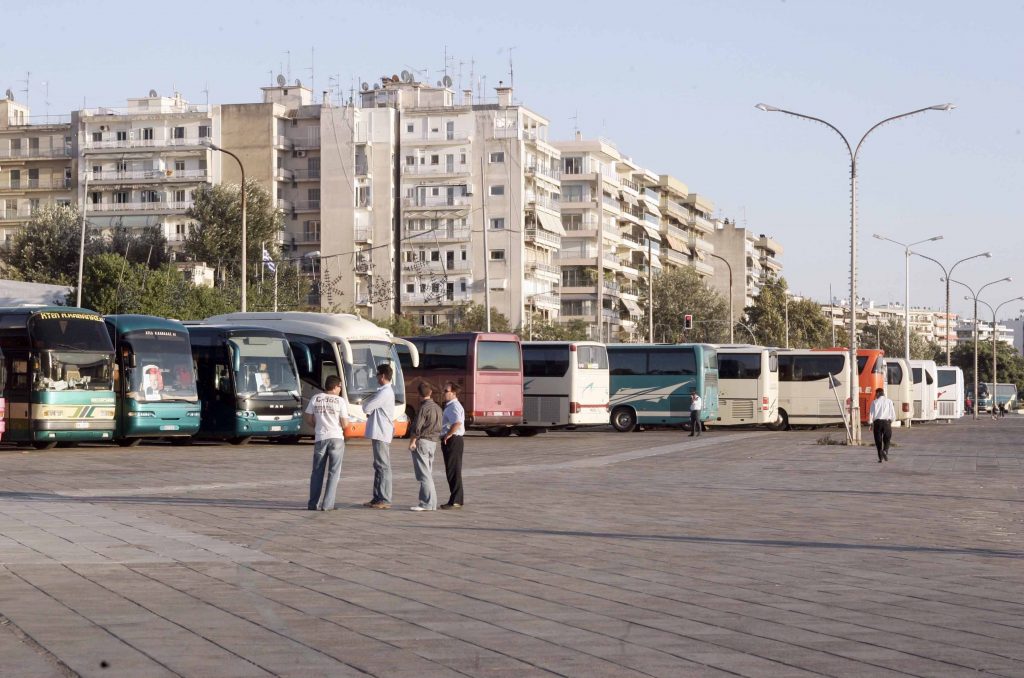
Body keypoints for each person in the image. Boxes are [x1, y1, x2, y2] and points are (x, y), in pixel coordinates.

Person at [305, 375, 349, 511]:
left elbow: (308, 417)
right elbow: (345, 423)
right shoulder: (340, 401)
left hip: (320, 438)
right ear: (335, 387)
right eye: (340, 387)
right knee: (333, 472)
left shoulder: (315, 398)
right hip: (336, 438)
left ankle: (313, 503)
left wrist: (317, 426)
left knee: (317, 472)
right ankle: (327, 504)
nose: (340, 389)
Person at [362, 364, 395, 509]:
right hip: (379, 431)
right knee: (378, 466)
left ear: (382, 376)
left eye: (377, 375)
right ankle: (377, 497)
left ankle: (384, 498)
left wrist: (366, 406)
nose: (376, 377)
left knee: (383, 466)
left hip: (381, 432)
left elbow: (367, 407)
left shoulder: (385, 392)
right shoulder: (383, 391)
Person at [408, 382, 443, 511]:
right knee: (428, 472)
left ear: (419, 394)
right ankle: (431, 503)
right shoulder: (438, 408)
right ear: (430, 393)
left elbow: (417, 427)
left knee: (424, 474)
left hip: (422, 441)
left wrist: (412, 441)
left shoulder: (424, 408)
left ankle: (427, 503)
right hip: (433, 442)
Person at [440, 381, 466, 510]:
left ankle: (456, 500)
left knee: (453, 470)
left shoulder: (454, 406)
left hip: (453, 440)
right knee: (452, 470)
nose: (443, 393)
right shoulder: (451, 405)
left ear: (453, 393)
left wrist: (448, 435)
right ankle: (456, 499)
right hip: (453, 439)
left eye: (446, 391)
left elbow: (457, 423)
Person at [868, 387, 896, 463]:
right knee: (887, 439)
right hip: (887, 422)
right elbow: (892, 413)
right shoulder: (889, 401)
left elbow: (871, 413)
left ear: (877, 393)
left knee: (878, 441)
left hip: (877, 423)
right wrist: (891, 420)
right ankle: (885, 451)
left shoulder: (874, 402)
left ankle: (880, 458)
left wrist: (870, 423)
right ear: (883, 393)